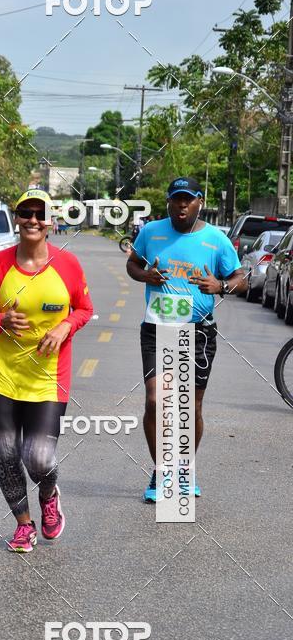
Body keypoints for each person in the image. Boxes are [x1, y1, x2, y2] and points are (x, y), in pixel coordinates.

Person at [0, 188, 93, 552]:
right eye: (26, 213)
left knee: (38, 456)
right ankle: (24, 525)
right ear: (17, 218)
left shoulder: (67, 265)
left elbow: (84, 309)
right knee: (6, 453)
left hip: (49, 379)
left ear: (51, 222)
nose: (33, 220)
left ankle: (49, 494)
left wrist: (64, 327)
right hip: (3, 376)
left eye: (40, 214)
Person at [126, 176, 246, 502]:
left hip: (199, 331)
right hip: (157, 328)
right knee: (155, 401)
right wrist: (145, 275)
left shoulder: (216, 239)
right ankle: (162, 470)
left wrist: (221, 286)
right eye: (176, 199)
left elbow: (241, 279)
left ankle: (184, 469)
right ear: (168, 202)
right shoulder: (151, 232)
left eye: (188, 199)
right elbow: (132, 264)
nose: (182, 205)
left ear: (199, 202)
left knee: (190, 406)